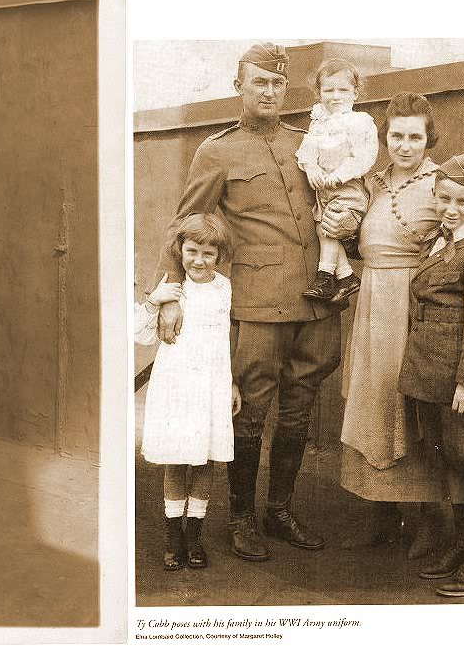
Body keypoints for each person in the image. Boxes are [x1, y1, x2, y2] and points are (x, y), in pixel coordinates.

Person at [156, 42, 341, 562]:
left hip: (317, 300)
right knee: (251, 411)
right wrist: (171, 295)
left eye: (278, 83)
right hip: (259, 304)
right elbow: (184, 223)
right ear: (239, 85)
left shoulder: (309, 143)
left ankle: (279, 510)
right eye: (259, 81)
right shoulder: (217, 150)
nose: (270, 91)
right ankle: (240, 516)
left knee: (300, 407)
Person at [333, 92, 445, 553]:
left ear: (428, 138)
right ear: (385, 137)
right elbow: (360, 241)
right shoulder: (373, 183)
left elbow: (457, 248)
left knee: (406, 402)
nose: (404, 145)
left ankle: (427, 519)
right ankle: (381, 511)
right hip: (372, 304)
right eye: (396, 135)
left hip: (412, 306)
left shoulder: (441, 184)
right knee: (373, 401)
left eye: (414, 136)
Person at [398, 154, 464, 598]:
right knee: (452, 459)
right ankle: (463, 545)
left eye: (462, 201)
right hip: (433, 375)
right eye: (444, 198)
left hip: (463, 382)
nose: (451, 208)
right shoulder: (442, 242)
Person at [135, 214, 241, 571]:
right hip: (177, 386)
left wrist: (231, 382)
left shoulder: (225, 288)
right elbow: (139, 334)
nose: (199, 260)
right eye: (192, 251)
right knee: (177, 459)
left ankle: (194, 536)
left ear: (220, 255)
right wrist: (154, 301)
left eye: (208, 253)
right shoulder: (171, 289)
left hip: (211, 385)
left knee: (204, 459)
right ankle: (172, 537)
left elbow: (226, 340)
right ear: (179, 251)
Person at [295, 58, 377, 303]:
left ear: (355, 93)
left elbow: (364, 156)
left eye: (343, 90)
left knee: (330, 229)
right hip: (324, 190)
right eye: (328, 90)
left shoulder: (359, 121)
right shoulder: (318, 123)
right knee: (322, 229)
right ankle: (347, 276)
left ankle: (325, 276)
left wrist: (338, 175)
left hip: (347, 188)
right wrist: (311, 170)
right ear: (319, 93)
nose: (335, 96)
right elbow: (306, 152)